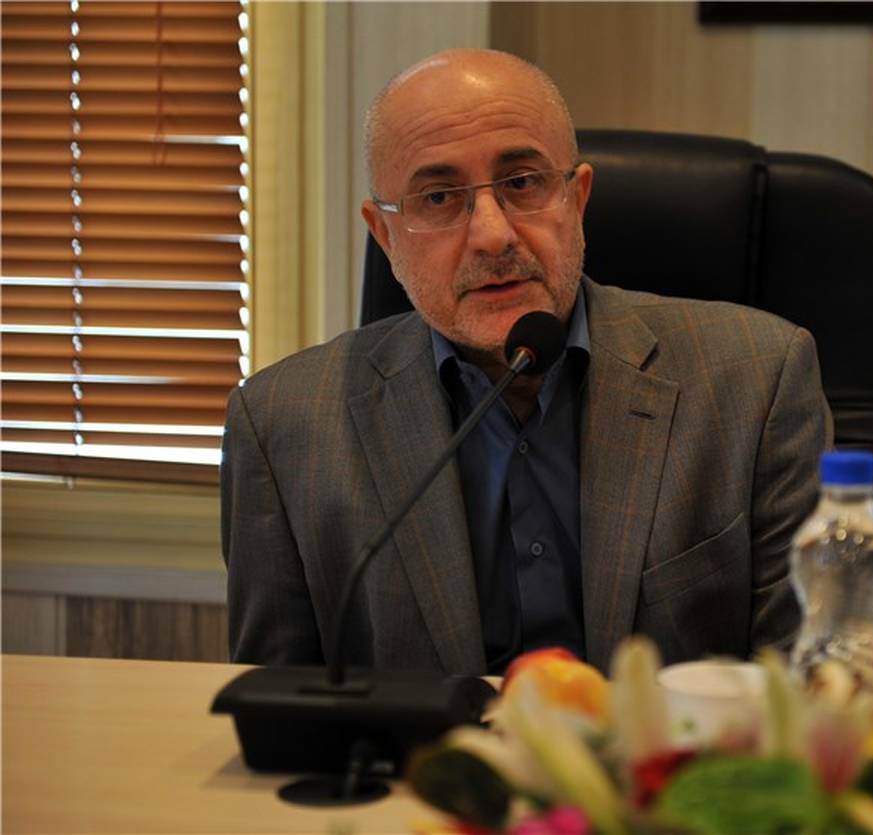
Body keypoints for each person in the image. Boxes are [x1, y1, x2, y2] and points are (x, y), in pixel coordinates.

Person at [221, 48, 832, 676]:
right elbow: (275, 707)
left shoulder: (757, 380)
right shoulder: (282, 428)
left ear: (577, 199)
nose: (492, 235)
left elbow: (815, 685)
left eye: (521, 183)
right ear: (385, 234)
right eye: (439, 197)